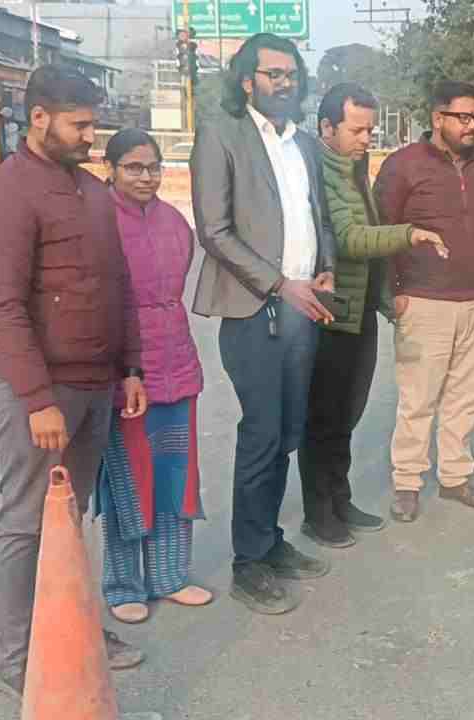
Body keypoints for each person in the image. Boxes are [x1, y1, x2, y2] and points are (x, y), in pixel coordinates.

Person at [0, 64, 147, 699]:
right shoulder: (7, 194)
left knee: (70, 519)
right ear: (39, 117)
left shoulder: (92, 191)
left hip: (96, 385)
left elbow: (119, 286)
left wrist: (130, 368)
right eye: (80, 125)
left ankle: (76, 632)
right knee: (27, 520)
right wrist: (36, 399)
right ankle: (20, 658)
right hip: (41, 394)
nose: (90, 137)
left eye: (93, 124)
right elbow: (2, 310)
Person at [190, 33, 336, 615]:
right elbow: (215, 231)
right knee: (262, 433)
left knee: (288, 432)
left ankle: (271, 541)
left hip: (304, 307)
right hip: (256, 308)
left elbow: (318, 217)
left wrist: (325, 267)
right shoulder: (221, 135)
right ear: (247, 80)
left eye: (291, 73)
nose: (285, 82)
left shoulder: (304, 144)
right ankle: (248, 562)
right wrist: (279, 284)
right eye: (273, 74)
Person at [296, 83, 448, 547]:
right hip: (329, 312)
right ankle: (318, 513)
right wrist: (410, 234)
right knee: (324, 417)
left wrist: (385, 301)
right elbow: (350, 238)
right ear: (327, 127)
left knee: (348, 413)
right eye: (357, 130)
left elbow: (369, 236)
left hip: (358, 309)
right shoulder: (317, 171)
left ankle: (339, 499)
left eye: (370, 130)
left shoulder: (355, 168)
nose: (366, 139)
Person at [375, 80, 474, 522]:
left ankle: (455, 477)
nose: (472, 126)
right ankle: (408, 483)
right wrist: (391, 295)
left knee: (465, 398)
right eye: (463, 117)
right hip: (422, 302)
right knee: (418, 399)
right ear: (437, 118)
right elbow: (381, 232)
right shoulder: (404, 166)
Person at [96, 129, 212, 623]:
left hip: (177, 366)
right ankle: (123, 586)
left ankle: (170, 577)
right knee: (128, 478)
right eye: (133, 168)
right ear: (110, 169)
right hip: (125, 371)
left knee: (173, 474)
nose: (146, 177)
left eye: (153, 167)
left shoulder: (174, 222)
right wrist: (120, 369)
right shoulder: (97, 222)